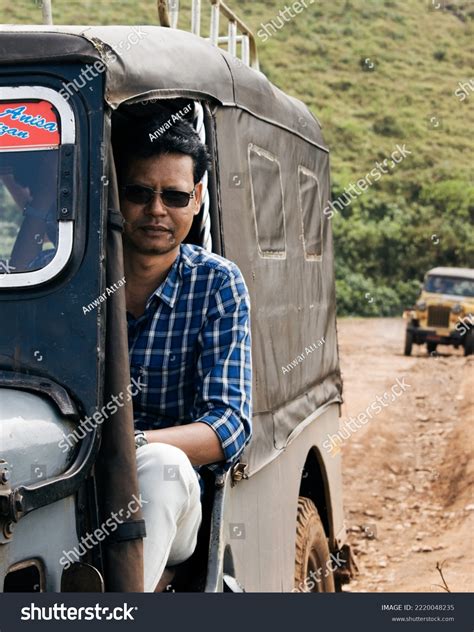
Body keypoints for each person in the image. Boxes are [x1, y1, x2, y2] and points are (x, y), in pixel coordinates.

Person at [113, 112, 252, 592]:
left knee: (163, 468)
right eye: (139, 193)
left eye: (173, 196)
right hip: (72, 483)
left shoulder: (216, 283)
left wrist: (133, 447)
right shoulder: (71, 276)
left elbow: (229, 424)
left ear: (196, 200)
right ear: (116, 195)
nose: (156, 210)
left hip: (174, 495)